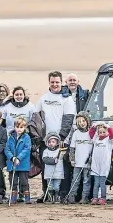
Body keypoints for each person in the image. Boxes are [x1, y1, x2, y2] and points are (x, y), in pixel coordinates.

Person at [34, 71, 75, 203]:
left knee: (62, 168)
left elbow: (69, 119)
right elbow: (36, 117)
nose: (55, 84)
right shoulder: (43, 98)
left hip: (62, 140)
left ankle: (63, 194)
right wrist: (39, 137)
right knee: (46, 167)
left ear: (61, 82)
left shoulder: (66, 98)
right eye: (52, 82)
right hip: (46, 141)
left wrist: (62, 137)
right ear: (49, 82)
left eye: (57, 82)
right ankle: (47, 192)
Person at [4, 117, 32, 205]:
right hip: (12, 164)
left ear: (25, 128)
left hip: (23, 164)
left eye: (21, 127)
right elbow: (7, 149)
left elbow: (27, 149)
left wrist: (19, 158)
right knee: (13, 181)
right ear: (14, 127)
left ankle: (27, 197)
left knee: (24, 181)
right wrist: (12, 158)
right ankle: (13, 198)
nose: (19, 129)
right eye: (17, 127)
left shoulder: (27, 137)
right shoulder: (11, 137)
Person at [68, 111, 93, 204]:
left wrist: (90, 159)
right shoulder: (76, 133)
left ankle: (84, 197)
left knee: (87, 181)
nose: (81, 123)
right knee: (75, 180)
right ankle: (71, 196)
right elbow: (72, 148)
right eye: (79, 122)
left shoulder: (91, 133)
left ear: (87, 121)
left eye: (83, 121)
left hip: (87, 163)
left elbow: (94, 147)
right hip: (77, 162)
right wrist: (72, 159)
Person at [89, 122, 113, 205]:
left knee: (102, 183)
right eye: (100, 132)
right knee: (96, 183)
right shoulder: (96, 139)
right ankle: (95, 197)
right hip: (96, 164)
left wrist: (107, 126)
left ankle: (103, 198)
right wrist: (94, 126)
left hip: (104, 164)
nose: (102, 134)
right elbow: (91, 133)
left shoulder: (109, 140)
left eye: (104, 132)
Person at [42, 132, 65, 204]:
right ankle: (50, 198)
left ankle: (56, 197)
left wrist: (62, 155)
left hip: (58, 172)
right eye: (49, 142)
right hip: (49, 173)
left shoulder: (59, 151)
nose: (51, 143)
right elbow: (45, 159)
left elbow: (62, 158)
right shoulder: (46, 151)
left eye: (53, 142)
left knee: (56, 187)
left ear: (56, 142)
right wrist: (53, 161)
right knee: (50, 186)